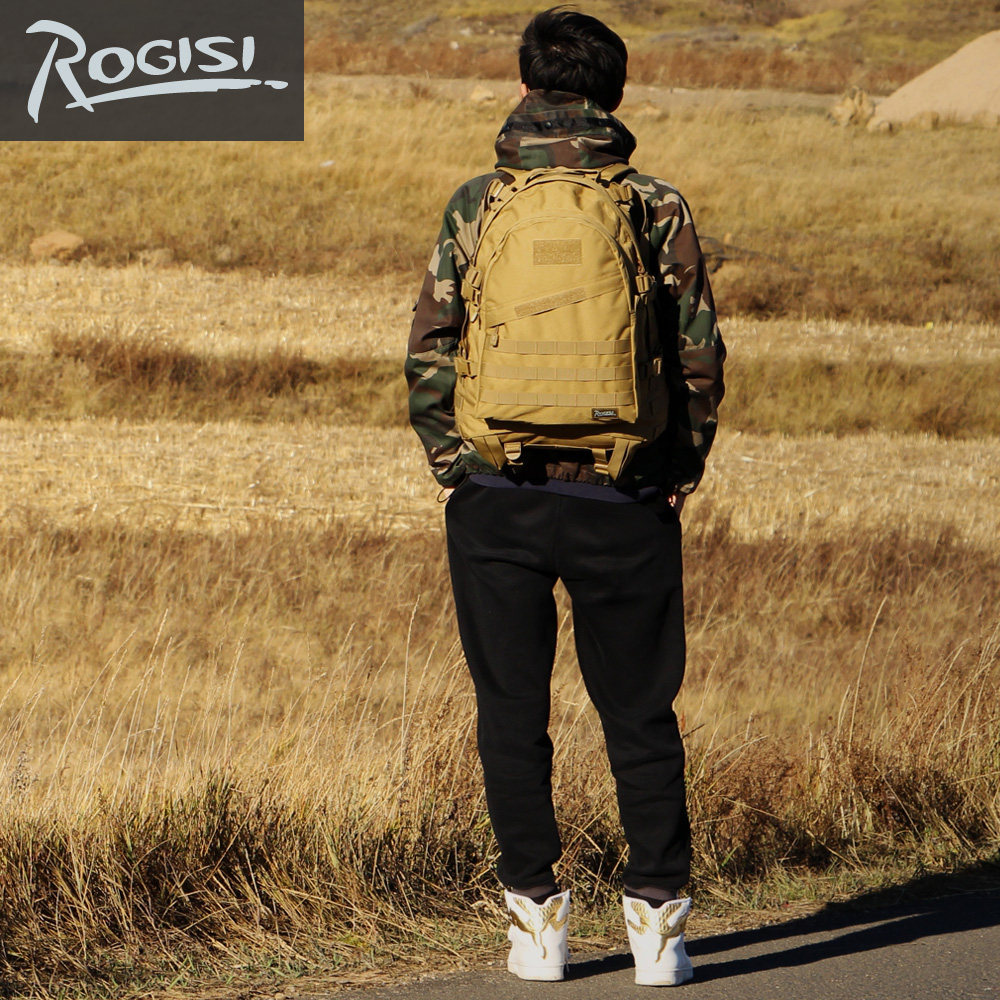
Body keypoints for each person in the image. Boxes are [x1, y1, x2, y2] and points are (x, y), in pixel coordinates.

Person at [404, 6, 725, 986]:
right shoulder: (653, 205)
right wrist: (673, 474)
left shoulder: (478, 202)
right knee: (641, 713)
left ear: (523, 86)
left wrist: (457, 468)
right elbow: (698, 357)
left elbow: (430, 348)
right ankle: (658, 932)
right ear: (613, 95)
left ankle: (536, 926)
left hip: (496, 495)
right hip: (624, 496)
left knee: (511, 710)